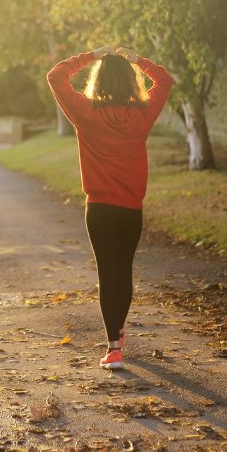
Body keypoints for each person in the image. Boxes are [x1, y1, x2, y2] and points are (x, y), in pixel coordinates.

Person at [46, 45, 174, 370]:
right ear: (131, 81)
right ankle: (117, 333)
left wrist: (91, 55)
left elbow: (56, 76)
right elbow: (165, 80)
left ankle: (114, 347)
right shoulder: (142, 114)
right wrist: (138, 59)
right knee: (124, 271)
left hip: (99, 209)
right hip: (131, 209)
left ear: (98, 81)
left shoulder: (85, 113)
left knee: (107, 273)